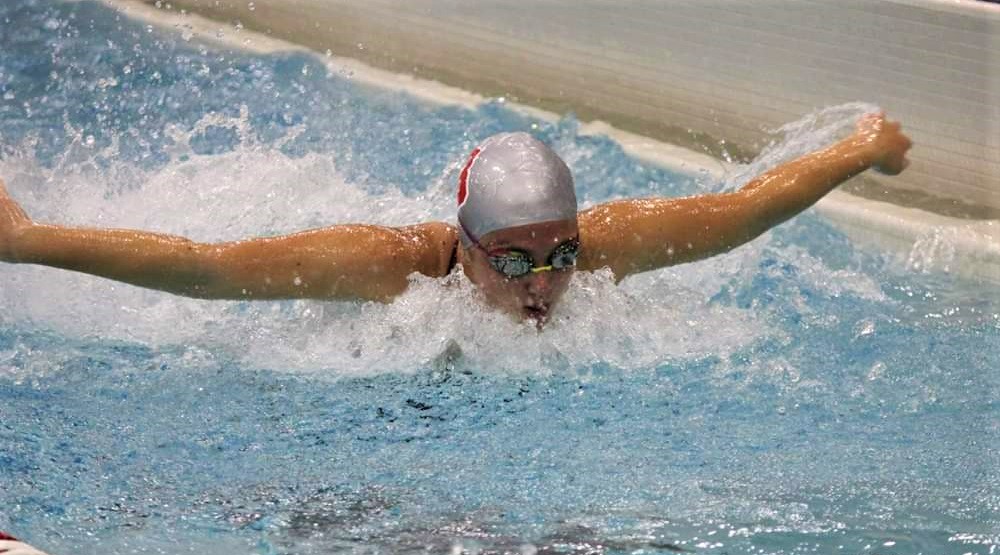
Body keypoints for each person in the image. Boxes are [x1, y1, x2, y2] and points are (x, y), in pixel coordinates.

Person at [0, 113, 910, 326]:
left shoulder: (602, 252)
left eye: (558, 253)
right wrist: (26, 240)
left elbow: (745, 211)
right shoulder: (387, 268)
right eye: (511, 260)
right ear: (464, 242)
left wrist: (862, 149)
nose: (544, 283)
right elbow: (207, 267)